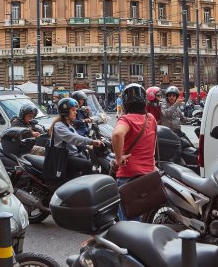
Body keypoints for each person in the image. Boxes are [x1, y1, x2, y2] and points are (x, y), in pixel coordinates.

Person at [112, 83, 158, 221]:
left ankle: (127, 242)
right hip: (148, 175)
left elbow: (117, 135)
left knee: (128, 220)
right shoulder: (151, 118)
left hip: (128, 175)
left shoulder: (126, 119)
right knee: (141, 216)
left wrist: (119, 158)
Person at [50, 97, 104, 180]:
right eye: (73, 110)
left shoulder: (68, 125)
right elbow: (73, 138)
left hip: (72, 154)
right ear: (65, 111)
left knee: (89, 161)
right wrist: (91, 141)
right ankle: (84, 189)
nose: (75, 112)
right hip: (64, 157)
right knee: (88, 165)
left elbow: (77, 139)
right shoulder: (59, 125)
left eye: (75, 110)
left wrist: (88, 146)